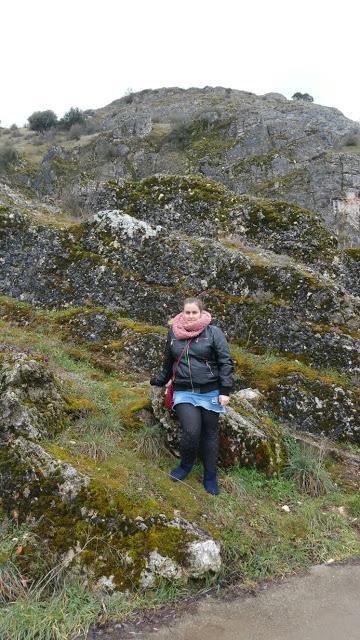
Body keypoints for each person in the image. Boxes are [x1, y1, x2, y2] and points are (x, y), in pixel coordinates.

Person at [150, 297, 234, 495]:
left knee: (210, 433)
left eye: (194, 312)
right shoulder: (173, 332)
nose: (190, 316)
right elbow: (169, 361)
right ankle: (185, 466)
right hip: (183, 390)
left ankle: (210, 476)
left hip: (210, 390)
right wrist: (160, 380)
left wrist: (225, 391)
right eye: (187, 312)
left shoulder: (213, 333)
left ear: (201, 313)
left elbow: (226, 362)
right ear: (182, 312)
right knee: (191, 431)